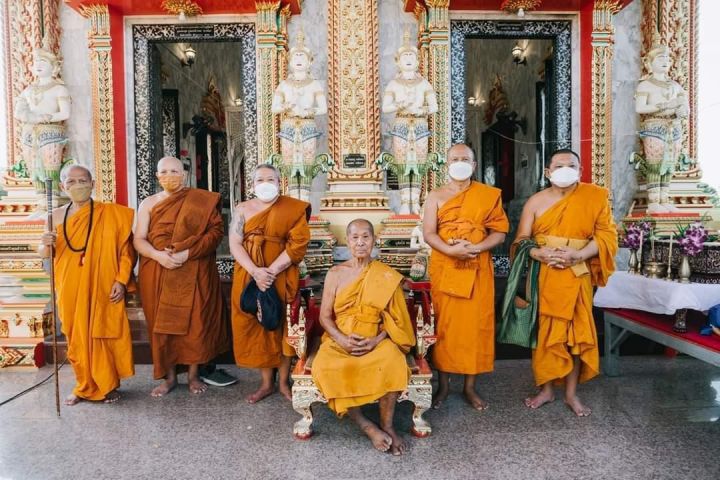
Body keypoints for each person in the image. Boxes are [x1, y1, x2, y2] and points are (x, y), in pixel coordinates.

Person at [514, 149, 617, 416]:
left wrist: (578, 255)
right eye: (558, 166)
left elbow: (607, 237)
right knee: (546, 334)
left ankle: (571, 394)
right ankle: (547, 390)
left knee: (575, 335)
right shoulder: (535, 202)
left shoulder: (595, 197)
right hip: (544, 275)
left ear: (581, 170)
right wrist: (539, 253)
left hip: (577, 272)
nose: (565, 169)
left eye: (571, 165)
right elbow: (521, 240)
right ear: (547, 172)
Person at [312, 219, 416, 455]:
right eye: (355, 237)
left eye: (366, 237)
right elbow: (325, 317)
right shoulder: (335, 274)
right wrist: (340, 338)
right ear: (347, 241)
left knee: (393, 361)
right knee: (326, 366)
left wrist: (375, 340)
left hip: (375, 340)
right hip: (340, 341)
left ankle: (387, 425)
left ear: (374, 241)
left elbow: (395, 322)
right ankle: (366, 425)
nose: (360, 242)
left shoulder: (386, 275)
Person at [39, 164, 135, 405]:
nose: (78, 186)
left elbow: (126, 251)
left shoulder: (112, 213)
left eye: (83, 181)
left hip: (104, 283)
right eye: (71, 182)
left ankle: (107, 384)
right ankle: (83, 385)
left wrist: (121, 281)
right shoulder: (56, 216)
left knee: (104, 331)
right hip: (70, 284)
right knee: (76, 334)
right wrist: (45, 242)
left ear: (93, 184)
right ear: (63, 187)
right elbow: (45, 253)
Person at [422, 143, 509, 410]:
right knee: (446, 328)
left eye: (466, 159)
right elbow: (429, 233)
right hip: (446, 266)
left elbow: (500, 232)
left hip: (477, 266)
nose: (460, 162)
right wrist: (451, 250)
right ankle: (444, 386)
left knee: (475, 328)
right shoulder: (435, 196)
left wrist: (477, 247)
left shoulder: (488, 195)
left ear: (474, 165)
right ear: (447, 165)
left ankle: (470, 388)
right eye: (455, 158)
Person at [134, 156, 228, 397]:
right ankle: (170, 377)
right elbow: (138, 239)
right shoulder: (148, 203)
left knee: (195, 323)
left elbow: (216, 233)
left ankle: (194, 376)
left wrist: (188, 253)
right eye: (164, 171)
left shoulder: (201, 201)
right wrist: (158, 256)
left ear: (184, 174)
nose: (169, 175)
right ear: (157, 176)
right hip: (158, 270)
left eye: (174, 171)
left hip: (194, 267)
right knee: (162, 326)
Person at [229, 164, 311, 403]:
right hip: (248, 273)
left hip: (280, 274)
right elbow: (235, 243)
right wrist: (255, 271)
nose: (265, 183)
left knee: (282, 325)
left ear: (279, 182)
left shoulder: (293, 209)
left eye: (270, 179)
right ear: (252, 184)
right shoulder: (243, 209)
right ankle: (266, 384)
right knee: (257, 324)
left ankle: (284, 382)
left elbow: (297, 245)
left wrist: (270, 272)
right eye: (260, 179)